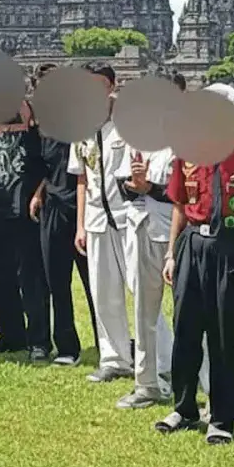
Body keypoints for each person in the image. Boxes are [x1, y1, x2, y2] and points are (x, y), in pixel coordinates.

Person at [155, 83, 234, 445]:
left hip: (229, 246)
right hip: (193, 243)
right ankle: (184, 406)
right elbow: (178, 204)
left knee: (224, 335)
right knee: (186, 329)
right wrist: (172, 252)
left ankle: (222, 417)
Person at [109, 73, 185, 409]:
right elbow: (125, 186)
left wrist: (148, 188)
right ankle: (148, 383)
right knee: (144, 311)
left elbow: (191, 195)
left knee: (193, 311)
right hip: (141, 226)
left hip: (181, 231)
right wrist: (136, 185)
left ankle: (208, 387)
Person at [68, 61, 136, 385]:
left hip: (130, 218)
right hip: (96, 219)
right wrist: (80, 225)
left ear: (111, 86)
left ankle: (160, 360)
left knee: (142, 294)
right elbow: (81, 177)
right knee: (103, 292)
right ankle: (114, 358)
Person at [29, 62, 98, 366]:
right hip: (53, 209)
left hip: (84, 209)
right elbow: (46, 168)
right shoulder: (42, 127)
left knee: (95, 281)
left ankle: (109, 344)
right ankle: (67, 346)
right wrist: (39, 191)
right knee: (56, 280)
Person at [0, 99, 52, 362]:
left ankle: (39, 340)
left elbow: (49, 169)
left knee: (32, 281)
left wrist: (38, 195)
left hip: (24, 215)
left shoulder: (34, 136)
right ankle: (11, 334)